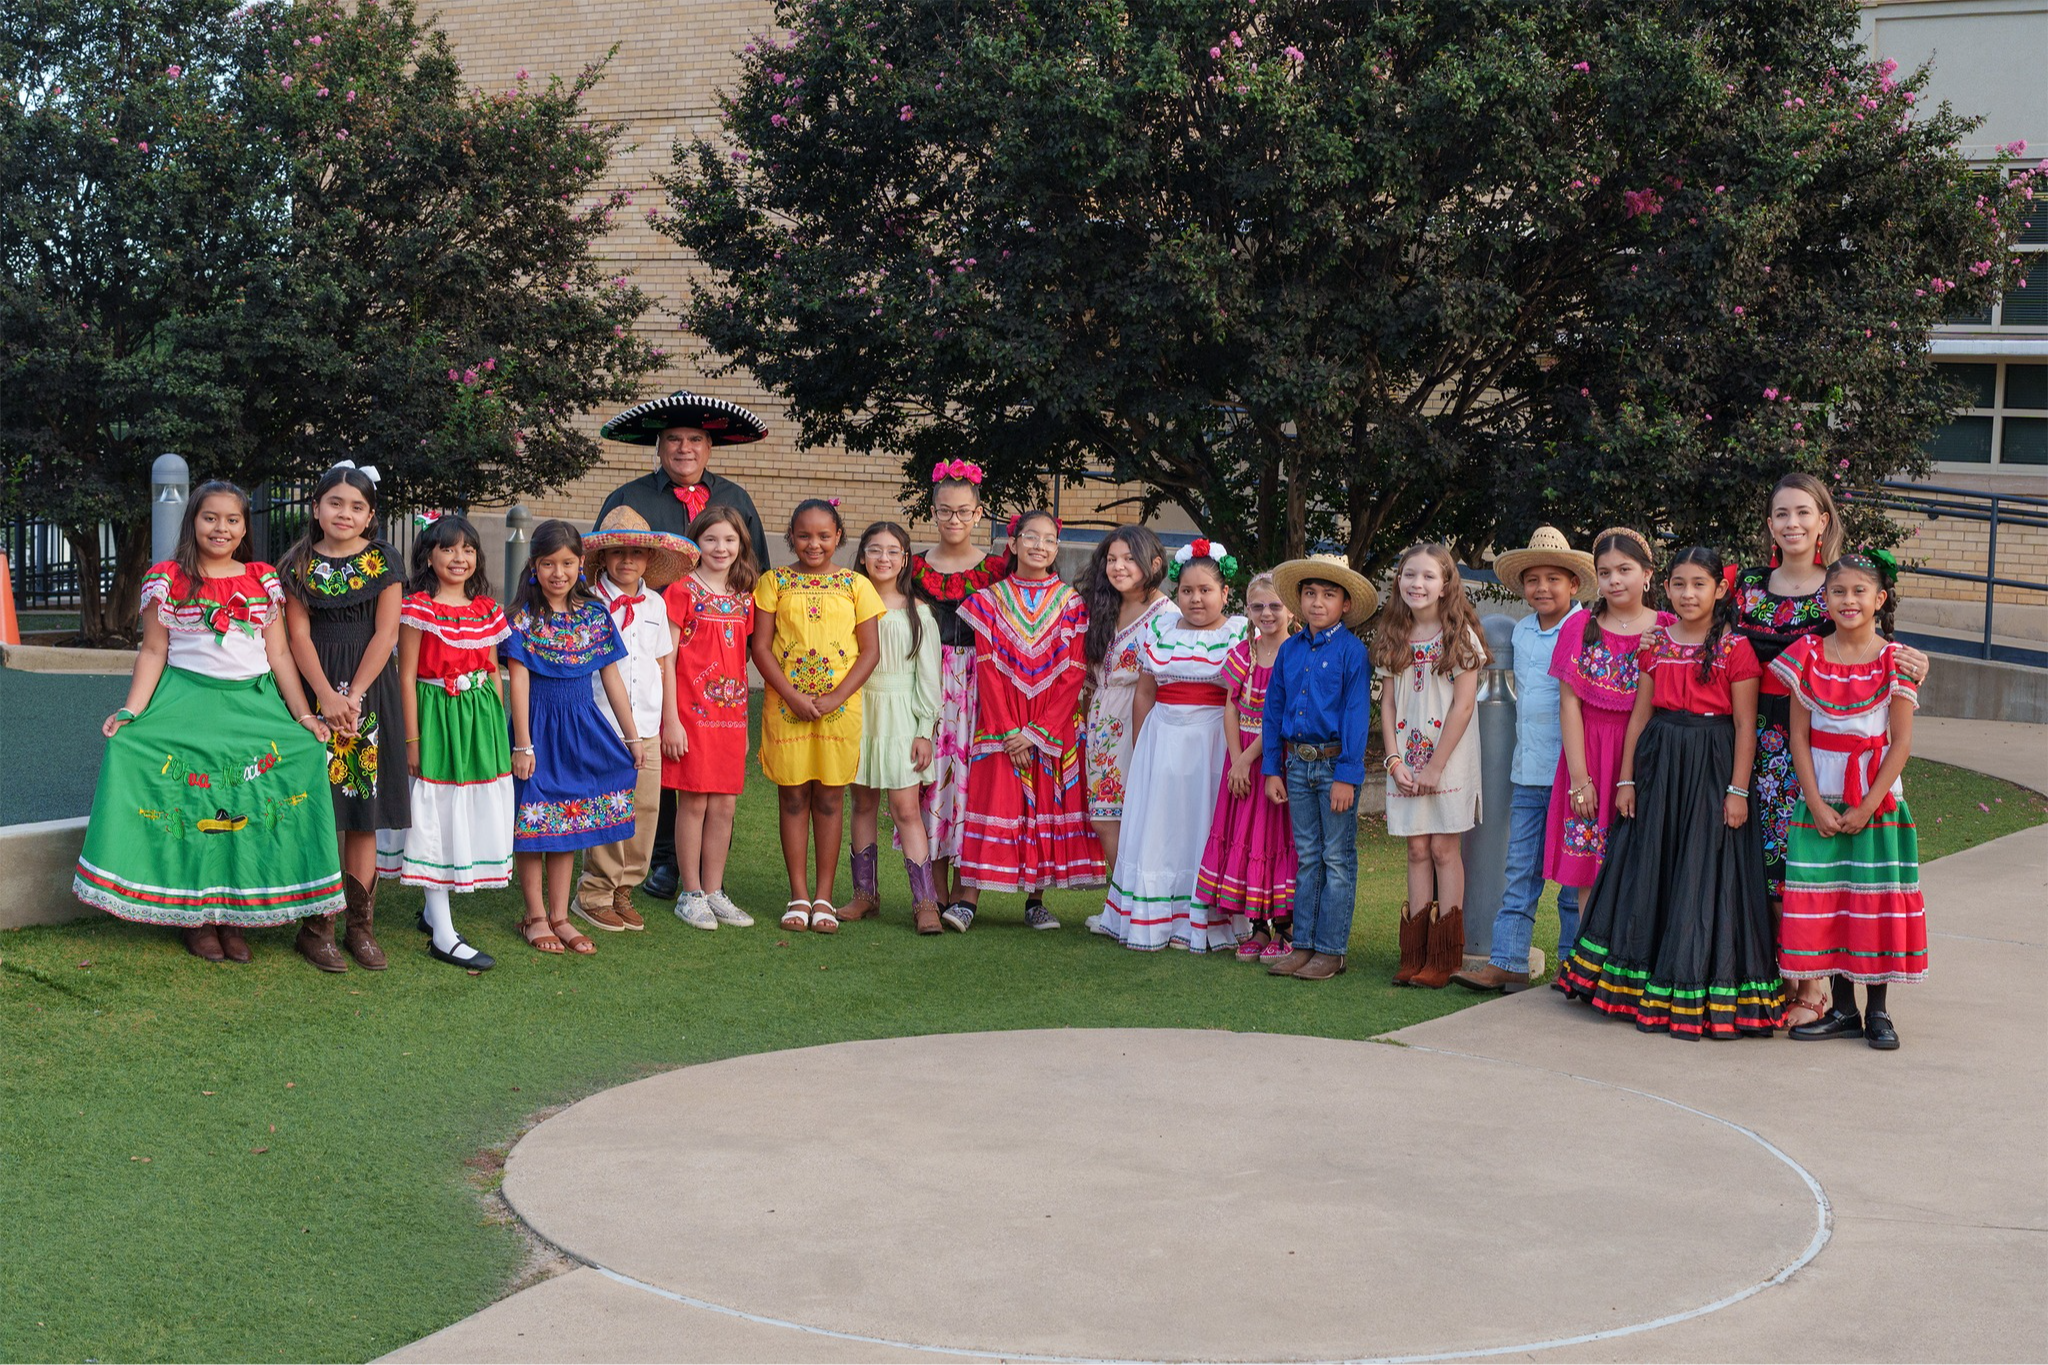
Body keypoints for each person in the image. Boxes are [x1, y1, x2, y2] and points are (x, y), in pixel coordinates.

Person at [73, 481, 343, 965]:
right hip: (186, 703)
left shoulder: (263, 580)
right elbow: (155, 650)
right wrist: (132, 710)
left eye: (232, 520)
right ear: (193, 521)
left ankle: (235, 916)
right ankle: (195, 918)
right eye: (210, 518)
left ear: (245, 527)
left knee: (270, 779)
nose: (221, 528)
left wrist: (303, 714)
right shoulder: (167, 578)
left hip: (253, 706)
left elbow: (278, 653)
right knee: (184, 792)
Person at [1558, 547, 1782, 1039]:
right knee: (1651, 868)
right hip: (1659, 763)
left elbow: (1745, 726)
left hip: (1712, 762)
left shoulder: (1734, 648)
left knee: (1701, 871)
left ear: (1720, 590)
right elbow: (1639, 716)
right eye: (1678, 584)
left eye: (1699, 584)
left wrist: (1738, 790)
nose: (1687, 594)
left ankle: (1694, 987)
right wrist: (1625, 779)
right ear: (1667, 589)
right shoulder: (1655, 643)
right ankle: (1638, 983)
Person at [1732, 472, 1930, 1024]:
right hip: (1753, 738)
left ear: (1823, 521)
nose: (1791, 523)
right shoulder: (1745, 584)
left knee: (1816, 868)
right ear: (1769, 524)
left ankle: (1815, 989)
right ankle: (1767, 976)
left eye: (1803, 512)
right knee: (1764, 867)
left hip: (1818, 749)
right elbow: (1709, 636)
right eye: (1781, 513)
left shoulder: (1842, 584)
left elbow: (1877, 649)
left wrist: (1920, 664)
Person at [598, 389, 773, 900]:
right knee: (653, 752)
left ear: (709, 447)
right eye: (673, 439)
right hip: (642, 648)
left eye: (694, 439)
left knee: (708, 767)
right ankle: (655, 861)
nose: (684, 449)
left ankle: (701, 871)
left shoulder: (735, 501)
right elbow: (603, 568)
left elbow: (751, 575)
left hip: (711, 660)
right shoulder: (629, 500)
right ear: (658, 446)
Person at [1776, 551, 1926, 1051]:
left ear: (1879, 599)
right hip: (1822, 797)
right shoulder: (1808, 656)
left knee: (1872, 901)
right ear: (1826, 598)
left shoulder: (1896, 661)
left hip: (1875, 802)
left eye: (1860, 591)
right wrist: (1816, 803)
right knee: (1832, 901)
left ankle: (1878, 1012)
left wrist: (1866, 807)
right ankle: (1841, 1008)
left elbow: (1900, 742)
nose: (1848, 600)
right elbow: (1799, 736)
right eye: (1838, 591)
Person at [1451, 527, 1594, 993]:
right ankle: (1507, 959)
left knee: (1574, 873)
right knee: (1520, 867)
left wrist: (1583, 776)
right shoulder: (1522, 631)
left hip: (1573, 771)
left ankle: (1573, 967)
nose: (1543, 588)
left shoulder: (1585, 629)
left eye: (1554, 579)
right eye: (1533, 579)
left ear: (1573, 585)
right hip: (1529, 770)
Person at [950, 510, 1104, 929]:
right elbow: (986, 665)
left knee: (1046, 809)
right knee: (993, 798)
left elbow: (1074, 672)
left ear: (1056, 548)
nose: (1039, 545)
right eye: (1030, 537)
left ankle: (1035, 900)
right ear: (1013, 543)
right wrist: (1009, 731)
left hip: (1050, 725)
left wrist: (1036, 734)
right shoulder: (989, 600)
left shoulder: (1072, 605)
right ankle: (968, 900)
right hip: (1002, 721)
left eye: (1048, 539)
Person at [280, 462, 407, 971]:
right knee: (320, 809)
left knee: (361, 811)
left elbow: (387, 634)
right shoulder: (297, 564)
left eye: (356, 506)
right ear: (316, 508)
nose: (344, 513)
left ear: (370, 515)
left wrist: (351, 695)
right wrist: (325, 699)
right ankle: (316, 930)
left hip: (368, 692)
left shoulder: (384, 561)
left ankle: (360, 928)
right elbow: (297, 637)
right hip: (315, 691)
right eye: (335, 503)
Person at [1090, 541, 1247, 951]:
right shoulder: (1159, 629)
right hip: (1162, 737)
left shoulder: (1238, 633)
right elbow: (1144, 693)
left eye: (1206, 590)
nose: (1196, 599)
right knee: (1161, 827)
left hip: (1212, 740)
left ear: (1225, 593)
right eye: (1187, 591)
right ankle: (1155, 918)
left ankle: (1203, 918)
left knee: (1202, 823)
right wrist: (1143, 747)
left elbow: (1245, 698)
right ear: (1177, 594)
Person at [376, 512, 513, 970]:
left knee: (466, 810)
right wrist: (411, 740)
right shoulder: (418, 607)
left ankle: (435, 915)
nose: (459, 558)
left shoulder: (488, 609)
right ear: (429, 556)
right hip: (436, 717)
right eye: (448, 549)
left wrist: (499, 727)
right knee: (434, 811)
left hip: (480, 724)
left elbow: (493, 671)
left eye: (468, 549)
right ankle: (444, 931)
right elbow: (407, 675)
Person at [505, 520, 647, 956]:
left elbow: (613, 680)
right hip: (539, 728)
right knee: (535, 820)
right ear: (534, 566)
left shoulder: (594, 615)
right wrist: (523, 744)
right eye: (548, 563)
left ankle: (561, 916)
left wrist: (633, 736)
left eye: (567, 563)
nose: (558, 573)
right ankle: (534, 916)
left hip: (582, 724)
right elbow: (519, 683)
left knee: (568, 822)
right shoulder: (521, 619)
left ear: (581, 564)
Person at [751, 499, 884, 934]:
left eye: (824, 536)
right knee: (792, 797)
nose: (814, 544)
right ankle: (798, 895)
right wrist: (790, 695)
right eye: (804, 535)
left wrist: (835, 697)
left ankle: (824, 898)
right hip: (786, 707)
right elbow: (761, 647)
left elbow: (870, 652)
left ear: (839, 538)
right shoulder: (774, 582)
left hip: (838, 710)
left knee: (829, 798)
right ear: (791, 536)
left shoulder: (856, 585)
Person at [1545, 531, 1672, 960]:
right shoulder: (1580, 626)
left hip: (1647, 758)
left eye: (1625, 570)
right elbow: (1569, 705)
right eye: (1605, 573)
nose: (1615, 580)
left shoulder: (1668, 629)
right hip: (1591, 755)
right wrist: (1580, 779)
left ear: (1648, 575)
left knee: (1644, 866)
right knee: (1589, 871)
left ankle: (1635, 965)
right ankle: (1589, 964)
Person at [573, 508, 696, 933]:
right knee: (607, 805)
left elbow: (665, 663)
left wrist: (670, 721)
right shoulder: (587, 603)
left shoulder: (657, 605)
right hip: (600, 722)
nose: (628, 560)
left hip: (647, 722)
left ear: (648, 560)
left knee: (645, 807)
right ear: (604, 558)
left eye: (637, 553)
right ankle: (594, 891)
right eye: (618, 552)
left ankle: (625, 887)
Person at [1376, 543, 1491, 989]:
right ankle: (1415, 953)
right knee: (1416, 850)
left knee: (1444, 850)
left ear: (1446, 585)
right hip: (1405, 760)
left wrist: (1435, 767)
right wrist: (1392, 760)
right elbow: (1386, 705)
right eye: (1409, 575)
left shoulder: (1460, 637)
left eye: (1427, 576)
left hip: (1448, 761)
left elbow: (1463, 707)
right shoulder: (1391, 634)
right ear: (1398, 581)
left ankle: (1444, 956)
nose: (1416, 584)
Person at [1261, 554, 1377, 982]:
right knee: (1307, 858)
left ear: (1345, 604)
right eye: (1310, 593)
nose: (1316, 602)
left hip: (1333, 768)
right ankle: (1303, 945)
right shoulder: (1290, 650)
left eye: (1328, 594)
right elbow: (1273, 711)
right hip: (1296, 766)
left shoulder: (1352, 653)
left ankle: (1332, 950)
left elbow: (1355, 715)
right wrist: (1272, 767)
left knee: (1337, 857)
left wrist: (1348, 774)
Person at [910, 463, 1009, 907]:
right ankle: (932, 889)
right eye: (945, 511)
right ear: (933, 512)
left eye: (963, 512)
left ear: (978, 513)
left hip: (979, 681)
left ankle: (968, 891)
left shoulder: (996, 569)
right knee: (932, 782)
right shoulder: (913, 568)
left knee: (973, 778)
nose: (954, 520)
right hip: (929, 677)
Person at [663, 506, 759, 931]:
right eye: (711, 540)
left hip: (731, 716)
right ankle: (690, 892)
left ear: (742, 546)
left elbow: (743, 659)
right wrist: (671, 720)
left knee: (725, 804)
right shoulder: (681, 591)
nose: (721, 548)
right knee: (695, 801)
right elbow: (665, 660)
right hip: (689, 716)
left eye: (730, 540)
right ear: (694, 544)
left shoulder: (745, 596)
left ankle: (715, 890)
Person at [1194, 573, 1299, 962]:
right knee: (1246, 836)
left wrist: (1247, 758)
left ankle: (1285, 926)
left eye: (1275, 605)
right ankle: (1256, 926)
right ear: (1247, 611)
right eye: (1258, 607)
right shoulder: (1243, 652)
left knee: (1274, 838)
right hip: (1239, 762)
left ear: (1290, 608)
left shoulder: (1295, 654)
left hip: (1273, 759)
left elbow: (1282, 718)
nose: (1267, 613)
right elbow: (1231, 707)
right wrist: (1235, 759)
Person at [847, 522, 943, 932]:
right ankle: (865, 895)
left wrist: (925, 729)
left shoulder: (917, 612)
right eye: (874, 550)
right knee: (862, 803)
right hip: (859, 714)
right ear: (863, 556)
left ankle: (925, 902)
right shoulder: (849, 604)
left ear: (905, 559)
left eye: (892, 551)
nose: (883, 558)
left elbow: (929, 678)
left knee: (906, 808)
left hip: (902, 716)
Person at [1079, 526, 1173, 872]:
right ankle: (1120, 901)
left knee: (1140, 816)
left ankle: (1134, 904)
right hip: (1103, 720)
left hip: (1143, 719)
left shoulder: (1167, 617)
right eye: (1112, 559)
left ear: (1154, 562)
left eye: (1130, 559)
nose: (1118, 567)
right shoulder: (1104, 607)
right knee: (1105, 817)